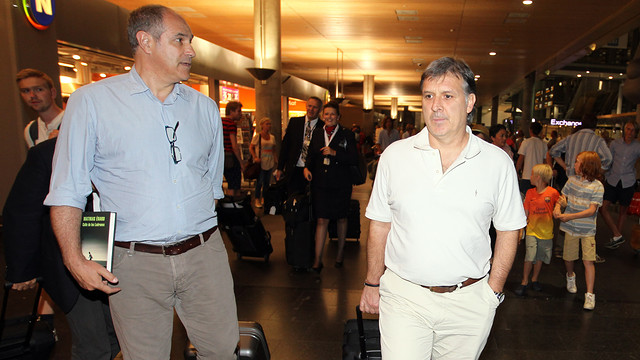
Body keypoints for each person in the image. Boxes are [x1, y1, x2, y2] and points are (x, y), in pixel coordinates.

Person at [44, 5, 238, 359]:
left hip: (204, 254)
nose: (191, 50)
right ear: (144, 41)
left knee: (223, 350)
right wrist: (75, 259)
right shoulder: (93, 102)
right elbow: (68, 189)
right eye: (179, 40)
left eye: (190, 41)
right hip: (134, 262)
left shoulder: (205, 108)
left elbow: (211, 184)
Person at [359, 57, 526, 359]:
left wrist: (492, 293)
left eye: (448, 96)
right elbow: (380, 224)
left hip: (470, 301)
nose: (436, 105)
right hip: (404, 296)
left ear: (470, 101)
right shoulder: (395, 157)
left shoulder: (496, 163)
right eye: (428, 96)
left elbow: (509, 229)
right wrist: (372, 282)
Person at [4, 138, 120, 360]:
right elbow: (23, 212)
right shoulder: (49, 154)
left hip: (118, 261)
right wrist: (23, 271)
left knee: (114, 337)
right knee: (93, 345)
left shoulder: (121, 147)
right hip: (70, 266)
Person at [303, 101, 358, 272]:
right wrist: (306, 168)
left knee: (341, 218)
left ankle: (340, 254)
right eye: (326, 114)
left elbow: (353, 158)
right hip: (321, 184)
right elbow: (311, 155)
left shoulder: (346, 134)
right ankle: (317, 260)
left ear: (338, 117)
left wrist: (335, 153)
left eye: (332, 114)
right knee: (322, 220)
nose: (329, 117)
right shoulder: (318, 133)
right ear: (323, 116)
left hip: (341, 184)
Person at [550, 114, 612, 262]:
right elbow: (608, 159)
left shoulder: (571, 137)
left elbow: (553, 151)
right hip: (589, 181)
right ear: (595, 126)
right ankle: (588, 251)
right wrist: (598, 171)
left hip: (571, 179)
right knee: (587, 214)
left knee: (567, 209)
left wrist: (566, 167)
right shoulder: (597, 140)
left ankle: (561, 248)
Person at [553, 151, 604, 310]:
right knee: (568, 257)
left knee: (588, 261)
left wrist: (570, 216)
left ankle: (589, 295)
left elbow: (591, 210)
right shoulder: (571, 180)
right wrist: (557, 208)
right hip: (570, 228)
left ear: (586, 166)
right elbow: (562, 199)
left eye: (577, 161)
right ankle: (570, 276)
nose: (574, 164)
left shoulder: (597, 186)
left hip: (587, 230)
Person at [514, 164, 560, 296]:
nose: (531, 177)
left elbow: (560, 202)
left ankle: (534, 279)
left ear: (538, 177)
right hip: (532, 231)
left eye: (532, 174)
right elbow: (525, 213)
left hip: (546, 233)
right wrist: (521, 231)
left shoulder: (553, 193)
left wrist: (559, 206)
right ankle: (524, 281)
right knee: (529, 256)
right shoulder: (530, 193)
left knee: (539, 257)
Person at [600, 121, 640, 249]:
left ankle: (616, 238)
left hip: (628, 181)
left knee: (623, 210)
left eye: (633, 130)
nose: (630, 132)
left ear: (636, 132)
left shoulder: (638, 146)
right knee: (603, 207)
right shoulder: (615, 144)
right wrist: (603, 174)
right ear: (624, 130)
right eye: (628, 129)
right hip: (612, 179)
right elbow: (609, 160)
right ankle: (617, 234)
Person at [275, 96, 324, 194]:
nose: (311, 109)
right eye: (309, 106)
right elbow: (286, 146)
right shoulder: (295, 122)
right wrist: (280, 167)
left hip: (312, 170)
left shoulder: (322, 127)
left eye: (315, 107)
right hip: (294, 168)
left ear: (319, 110)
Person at [16, 68, 64, 147]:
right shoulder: (31, 130)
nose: (32, 96)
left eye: (39, 89)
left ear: (52, 93)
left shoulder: (72, 121)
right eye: (26, 91)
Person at [249, 117, 277, 208]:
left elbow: (273, 149)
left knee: (267, 182)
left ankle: (264, 197)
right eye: (267, 124)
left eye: (269, 124)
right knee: (260, 181)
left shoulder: (272, 137)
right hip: (261, 162)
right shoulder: (258, 136)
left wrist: (276, 160)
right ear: (262, 125)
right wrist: (255, 157)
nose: (269, 126)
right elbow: (251, 147)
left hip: (269, 161)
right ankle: (257, 198)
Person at [222, 100, 245, 197]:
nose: (240, 114)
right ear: (231, 111)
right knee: (234, 185)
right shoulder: (231, 124)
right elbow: (234, 146)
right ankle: (233, 205)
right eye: (238, 111)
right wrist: (241, 162)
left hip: (221, 157)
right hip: (230, 157)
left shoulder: (220, 122)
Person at [516, 122, 547, 193]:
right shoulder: (544, 144)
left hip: (527, 175)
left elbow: (520, 159)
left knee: (525, 198)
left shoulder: (526, 142)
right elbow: (545, 161)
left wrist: (516, 171)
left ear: (530, 130)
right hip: (540, 177)